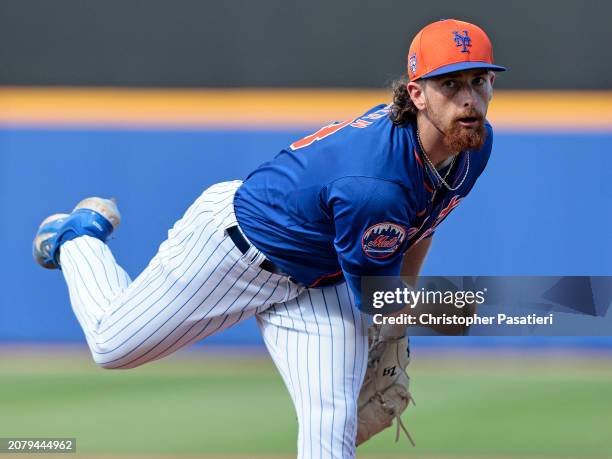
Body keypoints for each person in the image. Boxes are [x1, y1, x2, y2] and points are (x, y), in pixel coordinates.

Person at [32, 19, 505, 459]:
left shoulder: (471, 145)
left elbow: (423, 225)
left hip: (320, 280)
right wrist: (480, 307)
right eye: (450, 84)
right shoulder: (375, 185)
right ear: (417, 94)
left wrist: (405, 301)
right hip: (234, 251)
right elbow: (376, 296)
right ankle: (79, 236)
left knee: (331, 431)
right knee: (111, 346)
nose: (469, 99)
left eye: (479, 81)